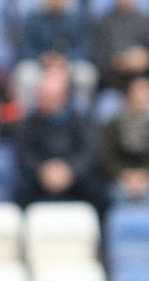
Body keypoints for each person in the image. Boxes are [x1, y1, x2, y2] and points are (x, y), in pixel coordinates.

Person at [13, 63, 98, 207]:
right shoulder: (30, 123)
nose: (41, 98)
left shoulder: (80, 120)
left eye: (47, 95)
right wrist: (42, 170)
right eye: (40, 94)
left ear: (61, 96)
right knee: (21, 190)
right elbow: (24, 153)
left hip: (72, 175)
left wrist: (70, 169)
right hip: (40, 175)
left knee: (97, 191)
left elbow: (88, 151)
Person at [98, 74, 149, 204]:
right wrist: (125, 175)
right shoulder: (113, 125)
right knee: (115, 195)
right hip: (120, 179)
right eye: (140, 91)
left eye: (148, 92)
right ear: (128, 95)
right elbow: (107, 158)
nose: (144, 97)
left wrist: (145, 176)